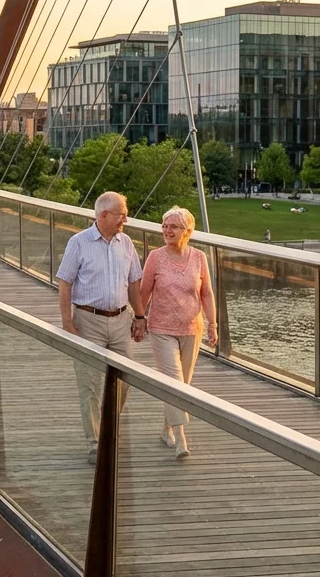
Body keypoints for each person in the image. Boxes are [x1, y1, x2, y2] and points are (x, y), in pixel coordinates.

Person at [56, 191, 144, 465]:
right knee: (90, 385)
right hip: (88, 320)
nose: (125, 219)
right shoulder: (79, 243)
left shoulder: (126, 243)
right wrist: (67, 322)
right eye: (121, 214)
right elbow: (65, 282)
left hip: (121, 320)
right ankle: (95, 443)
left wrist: (140, 316)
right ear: (103, 215)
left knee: (126, 377)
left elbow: (133, 283)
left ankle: (109, 431)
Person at [137, 206, 216, 461]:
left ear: (187, 231)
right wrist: (138, 318)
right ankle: (181, 439)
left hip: (192, 328)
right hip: (161, 329)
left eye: (173, 227)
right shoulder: (155, 258)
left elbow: (206, 294)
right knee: (173, 381)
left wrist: (213, 325)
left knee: (182, 385)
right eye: (165, 226)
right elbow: (144, 291)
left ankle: (166, 428)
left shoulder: (199, 257)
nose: (167, 230)